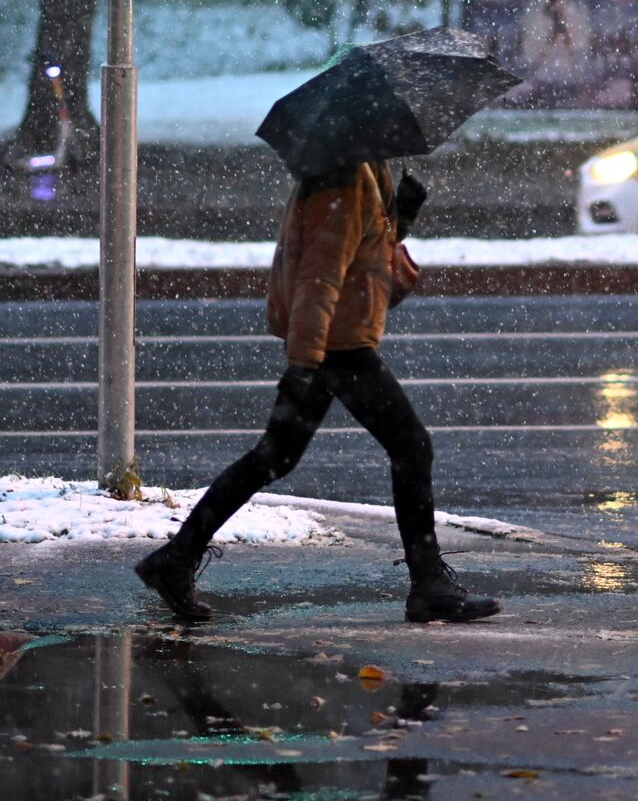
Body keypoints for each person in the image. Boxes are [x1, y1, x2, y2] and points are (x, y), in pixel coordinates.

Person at [135, 159, 501, 624]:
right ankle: (428, 585)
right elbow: (319, 278)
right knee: (412, 447)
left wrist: (401, 218)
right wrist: (304, 364)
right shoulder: (344, 180)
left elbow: (364, 258)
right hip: (338, 347)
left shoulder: (363, 172)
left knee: (273, 457)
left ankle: (177, 558)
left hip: (336, 341)